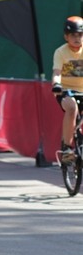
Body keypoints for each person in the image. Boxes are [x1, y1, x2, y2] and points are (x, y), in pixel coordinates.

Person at [52, 16, 83, 164]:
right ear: (66, 36)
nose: (77, 38)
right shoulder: (60, 52)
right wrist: (56, 85)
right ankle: (67, 149)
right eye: (73, 35)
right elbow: (57, 72)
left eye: (80, 35)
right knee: (71, 108)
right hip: (65, 91)